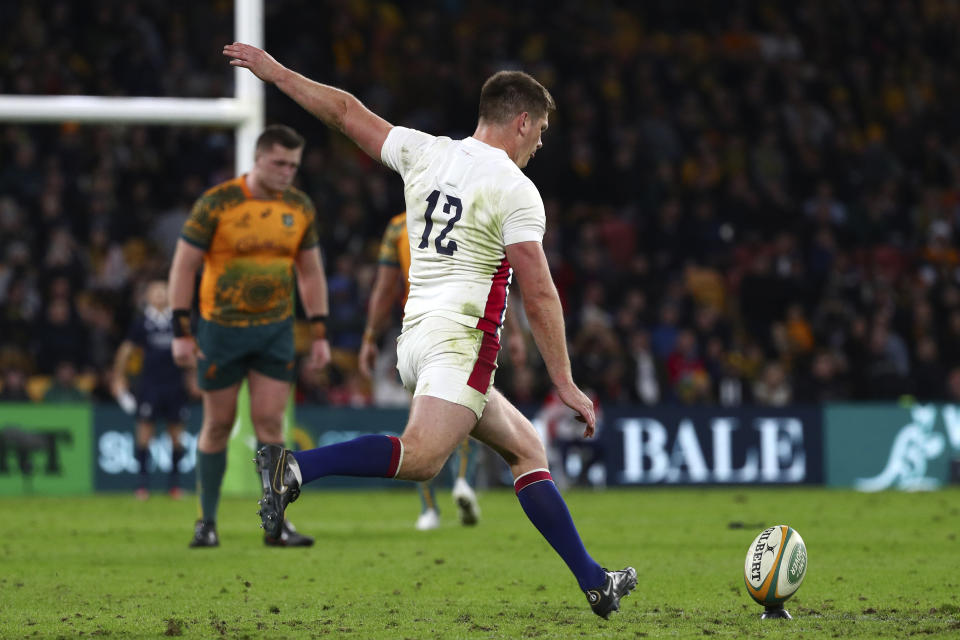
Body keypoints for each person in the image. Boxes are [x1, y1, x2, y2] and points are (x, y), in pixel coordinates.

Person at [225, 43, 636, 618]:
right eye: (539, 131)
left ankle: (596, 582)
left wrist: (277, 74)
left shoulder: (426, 152)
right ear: (521, 121)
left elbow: (345, 112)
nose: (540, 144)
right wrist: (564, 381)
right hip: (459, 341)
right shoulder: (515, 189)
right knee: (421, 458)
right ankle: (295, 468)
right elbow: (539, 292)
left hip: (415, 338)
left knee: (526, 448)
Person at [168, 124, 331, 548]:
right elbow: (184, 266)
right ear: (257, 160)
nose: (286, 172)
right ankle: (206, 522)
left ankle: (275, 524)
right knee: (218, 423)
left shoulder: (299, 206)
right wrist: (180, 330)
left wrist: (319, 332)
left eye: (293, 165)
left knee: (271, 424)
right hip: (221, 331)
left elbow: (310, 271)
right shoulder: (218, 203)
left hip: (275, 331)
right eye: (278, 163)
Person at [360, 212, 531, 530]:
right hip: (462, 327)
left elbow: (384, 290)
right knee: (464, 408)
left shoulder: (398, 226)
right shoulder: (468, 212)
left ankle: (429, 509)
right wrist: (516, 334)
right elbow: (501, 276)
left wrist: (370, 337)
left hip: (417, 332)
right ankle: (463, 481)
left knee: (421, 420)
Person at [112, 279, 193, 500]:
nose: (160, 295)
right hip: (150, 386)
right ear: (147, 296)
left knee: (176, 437)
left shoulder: (178, 322)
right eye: (155, 291)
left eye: (164, 291)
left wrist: (195, 375)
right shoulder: (141, 323)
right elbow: (126, 350)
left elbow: (192, 350)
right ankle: (142, 485)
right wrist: (119, 377)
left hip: (175, 385)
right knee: (144, 435)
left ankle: (174, 486)